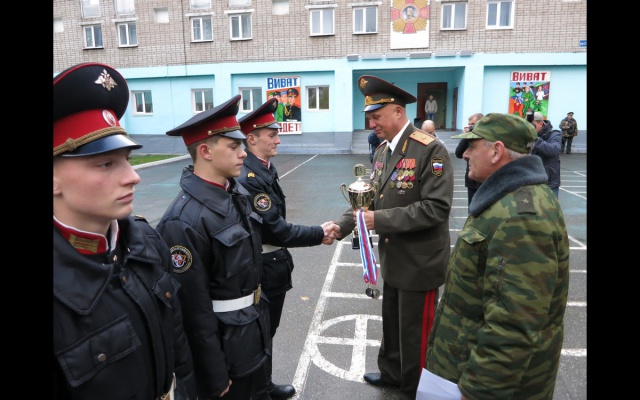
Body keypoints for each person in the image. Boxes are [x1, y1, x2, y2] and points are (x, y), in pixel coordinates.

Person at [53, 62, 196, 400]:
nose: (133, 177)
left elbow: (175, 333)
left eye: (127, 160)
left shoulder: (145, 240)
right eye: (106, 163)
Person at [425, 113, 570, 400]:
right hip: (464, 365)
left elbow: (513, 323)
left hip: (484, 384)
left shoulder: (521, 217)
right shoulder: (507, 198)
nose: (465, 154)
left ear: (496, 151)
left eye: (472, 146)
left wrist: (478, 391)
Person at [334, 75, 454, 400]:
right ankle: (392, 373)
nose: (371, 124)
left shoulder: (430, 150)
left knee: (415, 332)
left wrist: (379, 220)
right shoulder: (383, 152)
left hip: (420, 262)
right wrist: (339, 227)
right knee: (393, 322)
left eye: (376, 117)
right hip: (395, 258)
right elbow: (367, 198)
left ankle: (414, 389)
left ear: (398, 112)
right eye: (369, 118)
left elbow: (436, 208)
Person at [156, 95, 276, 400]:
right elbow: (192, 312)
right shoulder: (183, 220)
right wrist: (213, 374)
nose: (243, 152)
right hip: (225, 349)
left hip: (251, 330)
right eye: (234, 146)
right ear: (206, 151)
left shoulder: (234, 193)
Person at [237, 98, 339, 399]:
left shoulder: (263, 169)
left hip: (273, 263)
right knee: (260, 335)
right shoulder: (250, 177)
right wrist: (318, 233)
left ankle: (264, 385)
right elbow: (275, 229)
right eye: (272, 135)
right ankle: (259, 390)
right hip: (263, 265)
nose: (278, 140)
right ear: (252, 139)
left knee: (268, 332)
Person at [454, 113, 484, 207]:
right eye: (469, 124)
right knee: (472, 208)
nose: (470, 127)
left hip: (485, 179)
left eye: (473, 124)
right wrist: (466, 136)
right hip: (472, 179)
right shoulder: (469, 137)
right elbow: (458, 153)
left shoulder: (486, 138)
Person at [531, 111, 562, 197]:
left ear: (541, 123)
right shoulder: (527, 136)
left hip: (549, 183)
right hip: (530, 180)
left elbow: (554, 150)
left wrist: (535, 139)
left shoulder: (554, 134)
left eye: (532, 125)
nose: (529, 128)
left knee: (551, 206)